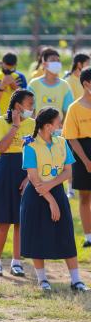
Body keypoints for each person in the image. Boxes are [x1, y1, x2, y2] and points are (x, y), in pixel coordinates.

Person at [21, 107, 88, 292]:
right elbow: (34, 178)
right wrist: (50, 200)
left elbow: (68, 171)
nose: (61, 125)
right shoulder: (30, 145)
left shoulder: (61, 142)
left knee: (66, 233)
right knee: (37, 237)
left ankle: (76, 280)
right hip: (36, 194)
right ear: (48, 126)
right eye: (59, 121)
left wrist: (51, 187)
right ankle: (42, 280)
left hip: (54, 190)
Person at [0, 89, 35, 277]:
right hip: (5, 170)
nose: (32, 108)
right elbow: (1, 147)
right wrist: (15, 126)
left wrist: (29, 178)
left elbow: (35, 153)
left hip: (26, 172)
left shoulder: (33, 124)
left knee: (20, 222)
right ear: (18, 106)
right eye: (29, 104)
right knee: (3, 221)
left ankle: (17, 262)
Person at [63, 67, 91, 248]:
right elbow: (71, 138)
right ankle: (89, 236)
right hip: (83, 154)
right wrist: (86, 161)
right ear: (86, 84)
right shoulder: (74, 108)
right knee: (84, 197)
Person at [0, 53, 27, 174]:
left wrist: (14, 86)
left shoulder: (20, 77)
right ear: (1, 63)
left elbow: (25, 101)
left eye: (11, 67)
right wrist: (2, 86)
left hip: (17, 119)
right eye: (6, 66)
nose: (8, 69)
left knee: (17, 151)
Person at [27, 48, 73, 119]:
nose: (57, 63)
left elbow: (67, 111)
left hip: (58, 129)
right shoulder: (33, 84)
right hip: (38, 128)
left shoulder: (65, 85)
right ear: (44, 64)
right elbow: (29, 109)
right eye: (53, 60)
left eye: (58, 60)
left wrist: (60, 127)